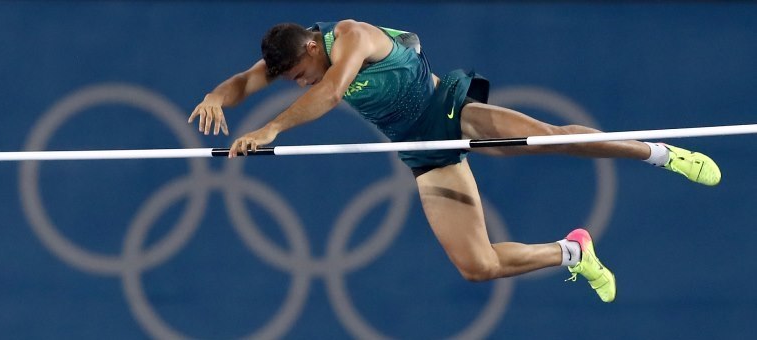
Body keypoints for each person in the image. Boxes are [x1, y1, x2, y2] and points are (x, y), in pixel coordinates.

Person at [188, 19, 721, 303]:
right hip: (424, 152)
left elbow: (328, 93)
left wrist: (273, 126)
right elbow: (245, 82)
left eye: (296, 74)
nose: (295, 82)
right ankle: (571, 253)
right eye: (288, 83)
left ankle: (660, 154)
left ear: (310, 47)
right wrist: (217, 95)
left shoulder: (348, 36)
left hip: (450, 112)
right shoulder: (296, 55)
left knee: (554, 138)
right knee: (477, 266)